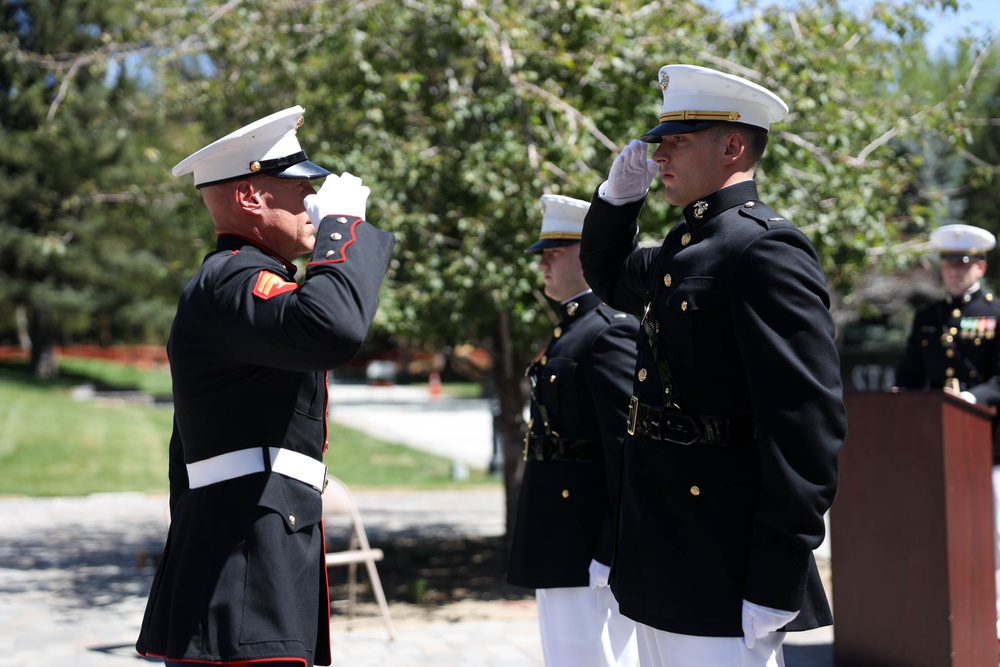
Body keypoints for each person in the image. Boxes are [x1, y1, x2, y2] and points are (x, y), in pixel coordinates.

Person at [578, 64, 847, 666]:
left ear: (732, 146)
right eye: (659, 142)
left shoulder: (764, 248)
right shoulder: (686, 245)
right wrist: (616, 201)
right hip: (660, 544)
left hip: (723, 553)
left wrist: (777, 571)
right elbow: (612, 280)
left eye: (677, 142)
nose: (659, 157)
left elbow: (807, 426)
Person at [135, 106, 396, 667]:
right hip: (241, 562)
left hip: (251, 549)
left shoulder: (240, 280)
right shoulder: (233, 279)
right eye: (299, 187)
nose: (312, 201)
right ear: (252, 198)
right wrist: (343, 230)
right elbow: (333, 325)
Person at [507, 194, 640, 667]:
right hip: (560, 533)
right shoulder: (573, 329)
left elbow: (627, 448)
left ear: (589, 255)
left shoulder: (609, 331)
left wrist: (612, 544)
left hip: (587, 538)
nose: (543, 261)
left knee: (596, 657)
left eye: (554, 250)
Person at [894, 222, 1000, 640]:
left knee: (991, 535)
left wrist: (971, 399)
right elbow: (910, 377)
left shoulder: (995, 314)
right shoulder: (928, 318)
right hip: (937, 445)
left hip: (988, 447)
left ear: (981, 266)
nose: (954, 271)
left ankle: (993, 617)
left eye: (963, 263)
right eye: (948, 263)